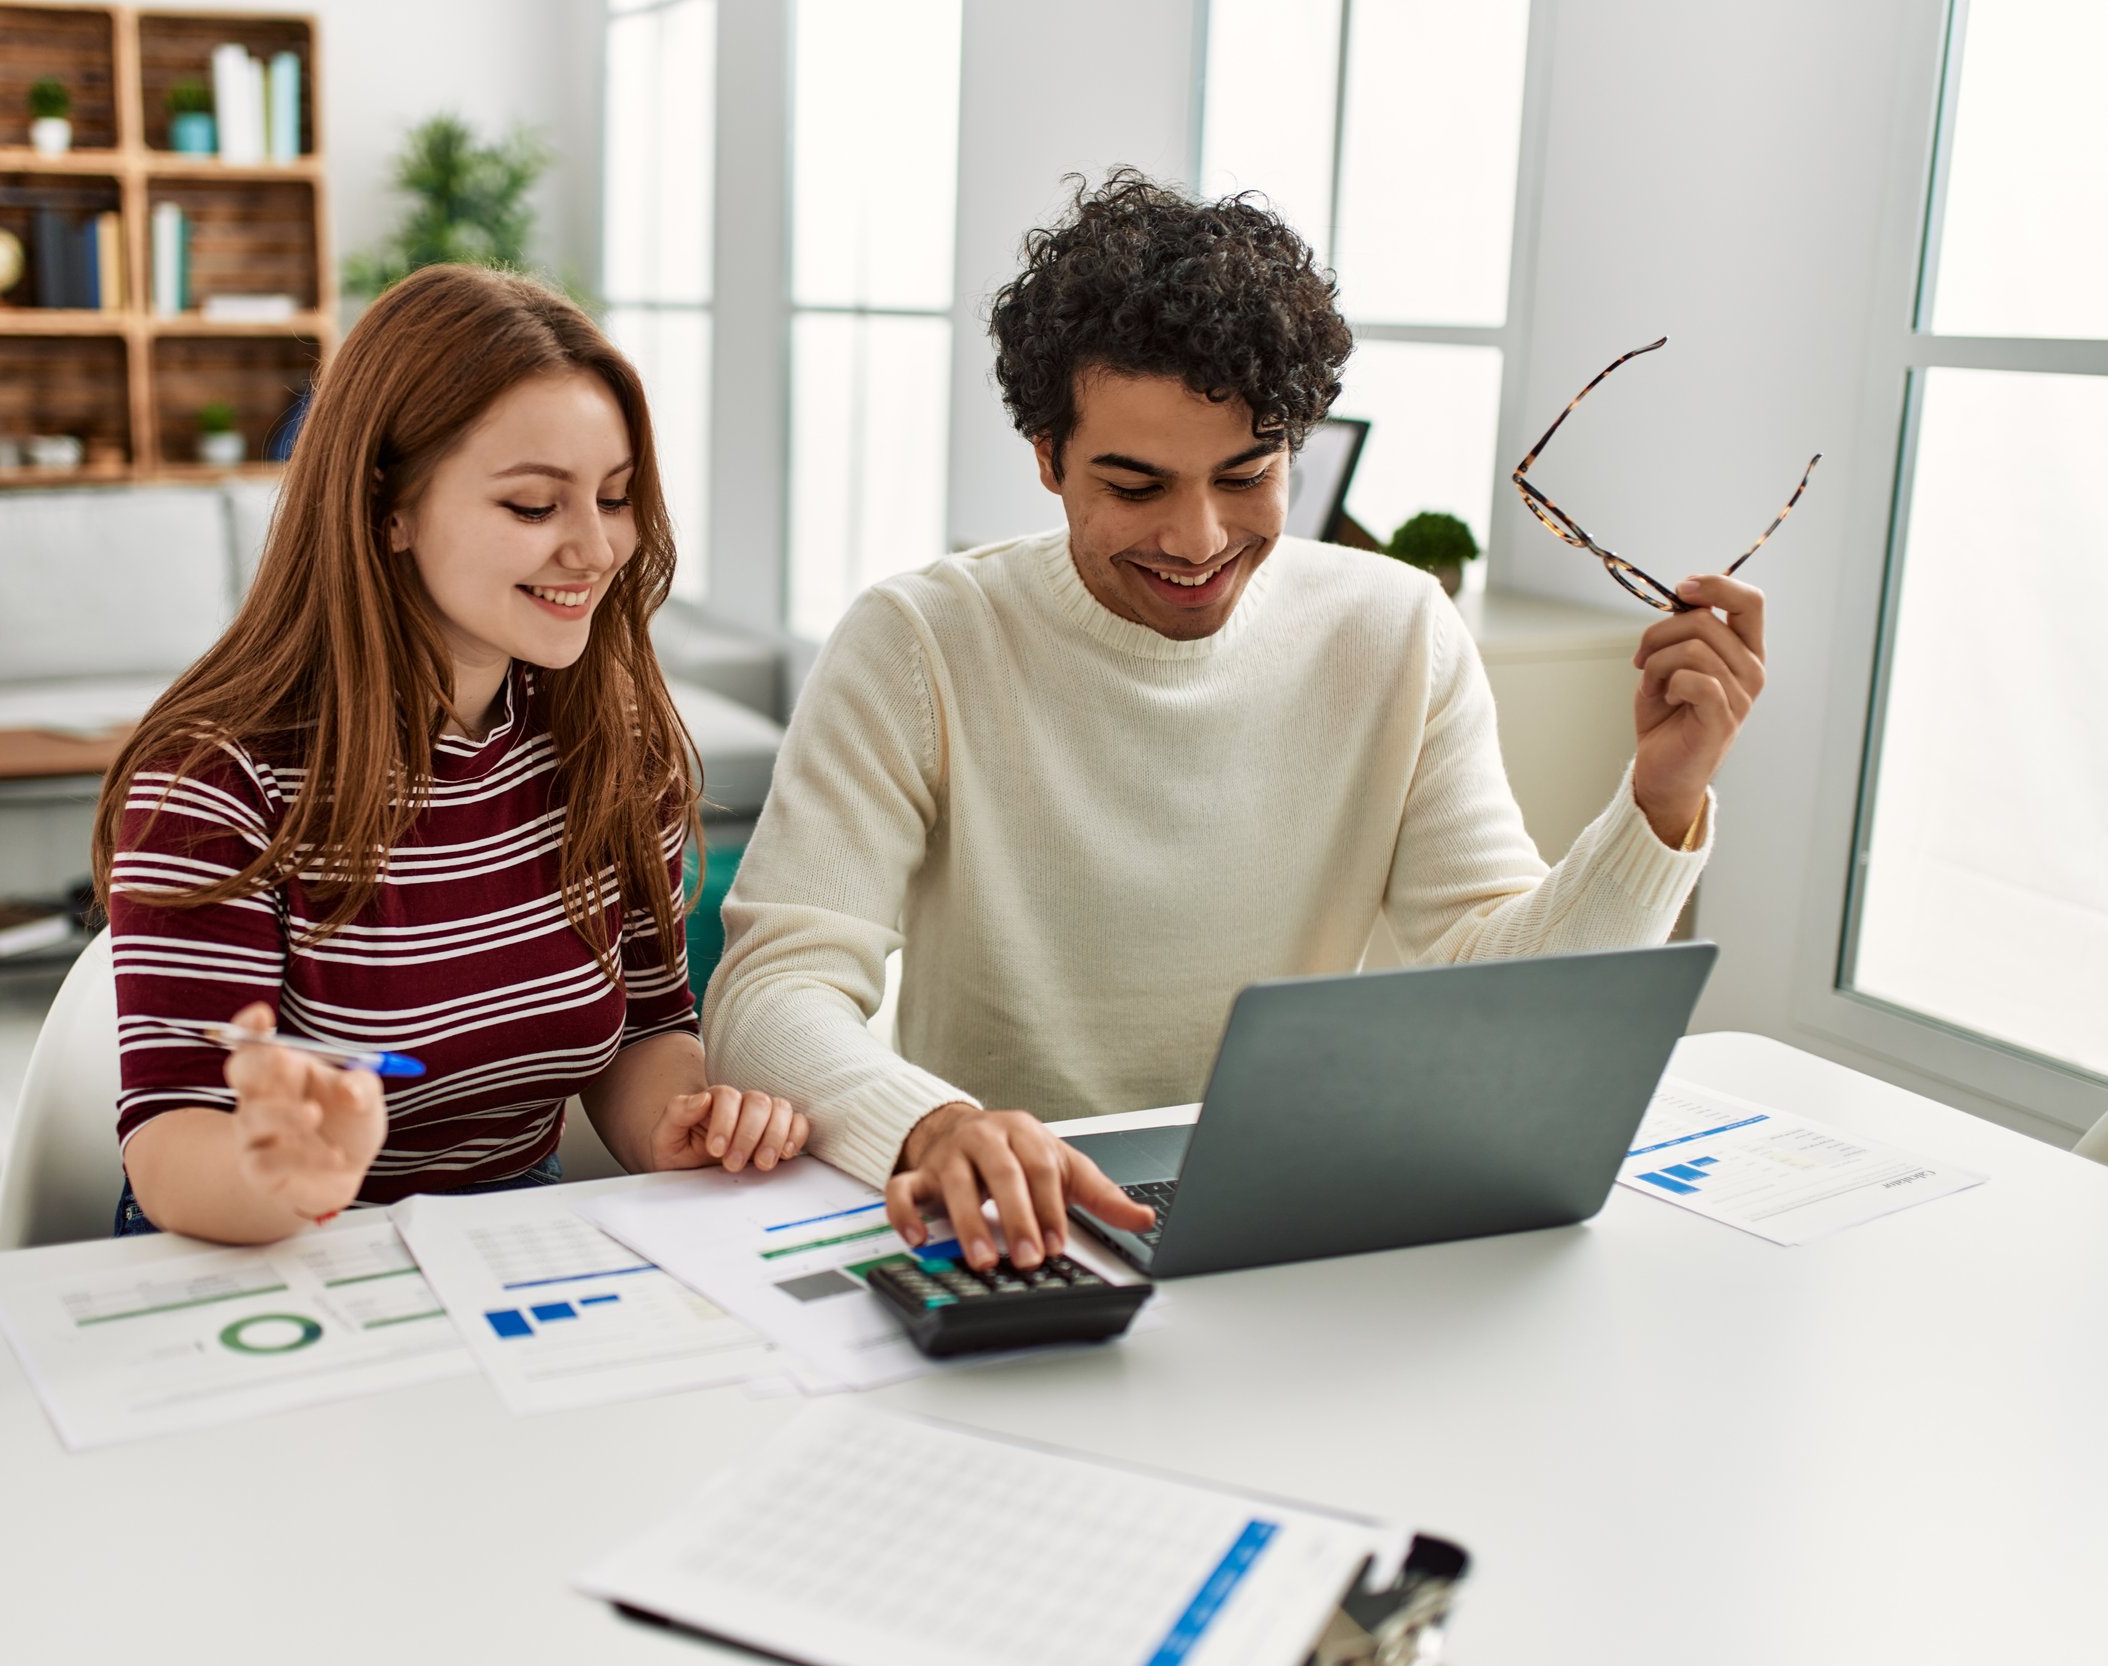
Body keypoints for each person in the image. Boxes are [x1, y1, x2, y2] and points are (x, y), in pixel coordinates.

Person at [705, 171, 1766, 1276]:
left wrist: (1660, 800)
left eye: (1246, 474)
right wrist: (932, 1125)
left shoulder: (1395, 627)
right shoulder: (918, 641)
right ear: (1045, 457)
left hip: (1298, 1214)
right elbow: (771, 996)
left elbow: (1503, 990)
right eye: (1133, 483)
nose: (1198, 537)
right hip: (1017, 1224)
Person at [94, 264, 804, 1244]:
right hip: (265, 1258)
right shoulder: (213, 781)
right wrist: (292, 1172)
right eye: (532, 506)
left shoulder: (612, 744)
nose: (596, 551)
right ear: (388, 508)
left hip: (509, 1244)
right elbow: (173, 1139)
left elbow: (643, 1031)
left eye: (614, 497)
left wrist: (680, 1126)